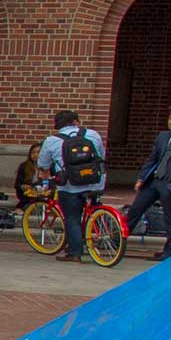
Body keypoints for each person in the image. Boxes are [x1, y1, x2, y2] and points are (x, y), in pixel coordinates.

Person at [37, 110, 106, 263]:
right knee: (92, 210)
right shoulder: (93, 134)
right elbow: (101, 155)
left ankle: (75, 252)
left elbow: (43, 164)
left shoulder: (51, 141)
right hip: (95, 182)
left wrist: (44, 175)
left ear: (57, 125)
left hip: (70, 185)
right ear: (76, 121)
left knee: (72, 218)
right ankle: (95, 235)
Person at [127, 104, 171, 262]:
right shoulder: (163, 136)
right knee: (135, 210)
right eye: (170, 118)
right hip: (154, 180)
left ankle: (170, 251)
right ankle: (118, 240)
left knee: (170, 217)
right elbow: (152, 158)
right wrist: (141, 178)